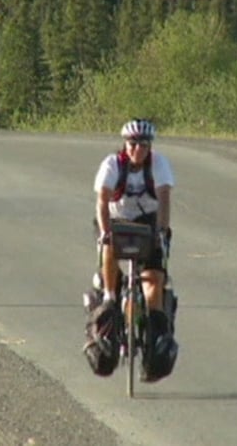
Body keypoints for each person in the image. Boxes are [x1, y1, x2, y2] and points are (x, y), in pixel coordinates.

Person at [83, 118, 178, 382]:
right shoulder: (112, 164)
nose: (138, 149)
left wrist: (161, 233)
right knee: (109, 251)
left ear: (150, 146)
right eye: (133, 143)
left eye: (144, 144)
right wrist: (104, 233)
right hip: (115, 220)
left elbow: (164, 199)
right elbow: (102, 200)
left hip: (149, 221)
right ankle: (111, 298)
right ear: (125, 144)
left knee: (153, 281)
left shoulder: (158, 164)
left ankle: (154, 325)